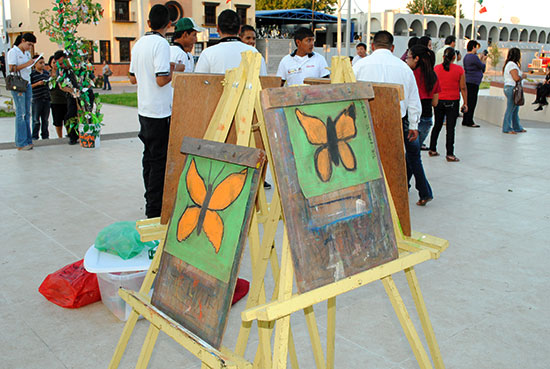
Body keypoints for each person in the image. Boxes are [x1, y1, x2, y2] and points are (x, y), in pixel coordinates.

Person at [354, 31, 433, 206]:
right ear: (392, 47)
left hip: (367, 119)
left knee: (369, 158)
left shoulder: (359, 66)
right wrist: (413, 125)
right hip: (398, 120)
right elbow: (414, 99)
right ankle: (418, 192)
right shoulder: (404, 67)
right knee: (408, 157)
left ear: (373, 46)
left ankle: (368, 195)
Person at [129, 4, 175, 218]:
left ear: (148, 23)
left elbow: (132, 78)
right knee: (159, 160)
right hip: (159, 112)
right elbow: (161, 79)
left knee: (148, 157)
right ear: (169, 25)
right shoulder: (161, 44)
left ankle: (150, 198)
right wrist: (174, 70)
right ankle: (154, 209)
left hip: (144, 109)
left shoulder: (138, 44)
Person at [195, 10, 267, 75]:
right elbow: (264, 84)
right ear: (239, 29)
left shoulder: (208, 54)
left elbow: (198, 84)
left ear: (217, 29)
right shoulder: (256, 54)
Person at [429, 47, 467, 162]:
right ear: (454, 57)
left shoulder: (436, 69)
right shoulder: (459, 70)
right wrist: (465, 102)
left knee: (437, 125)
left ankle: (432, 149)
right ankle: (450, 154)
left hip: (439, 100)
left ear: (443, 57)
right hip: (453, 102)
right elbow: (463, 87)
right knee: (450, 128)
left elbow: (433, 86)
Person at [7, 32, 38, 150]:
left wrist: (31, 64)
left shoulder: (26, 53)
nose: (29, 47)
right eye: (29, 44)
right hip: (18, 84)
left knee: (27, 113)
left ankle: (28, 140)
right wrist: (26, 64)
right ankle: (21, 142)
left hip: (27, 83)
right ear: (23, 41)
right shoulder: (13, 52)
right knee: (21, 113)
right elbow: (11, 68)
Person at [406, 45, 440, 150]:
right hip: (427, 117)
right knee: (415, 153)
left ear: (416, 58)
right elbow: (435, 103)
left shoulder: (410, 74)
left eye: (408, 57)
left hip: (411, 118)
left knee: (409, 155)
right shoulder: (433, 75)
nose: (407, 60)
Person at [462, 40, 487, 127]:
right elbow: (482, 67)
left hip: (468, 81)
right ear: (473, 47)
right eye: (476, 47)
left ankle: (466, 119)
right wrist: (483, 60)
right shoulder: (473, 57)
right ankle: (469, 121)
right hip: (473, 82)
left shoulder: (466, 57)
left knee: (468, 101)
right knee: (472, 102)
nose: (477, 49)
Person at [502, 47, 526, 134]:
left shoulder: (510, 64)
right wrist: (523, 76)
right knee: (510, 109)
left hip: (511, 88)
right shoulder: (512, 65)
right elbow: (516, 78)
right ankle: (507, 128)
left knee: (515, 109)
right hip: (512, 88)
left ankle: (517, 127)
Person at [30, 55, 50, 140]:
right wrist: (37, 84)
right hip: (37, 99)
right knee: (36, 120)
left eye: (43, 63)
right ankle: (34, 136)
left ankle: (45, 135)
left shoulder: (46, 73)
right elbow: (29, 86)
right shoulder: (32, 74)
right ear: (35, 64)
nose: (42, 65)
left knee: (45, 119)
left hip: (46, 98)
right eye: (40, 63)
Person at [48, 54, 67, 138]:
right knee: (58, 121)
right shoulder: (47, 74)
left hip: (65, 99)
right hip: (55, 101)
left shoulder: (63, 73)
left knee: (67, 119)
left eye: (57, 62)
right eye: (54, 62)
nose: (56, 64)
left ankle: (69, 134)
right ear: (50, 64)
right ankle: (60, 137)